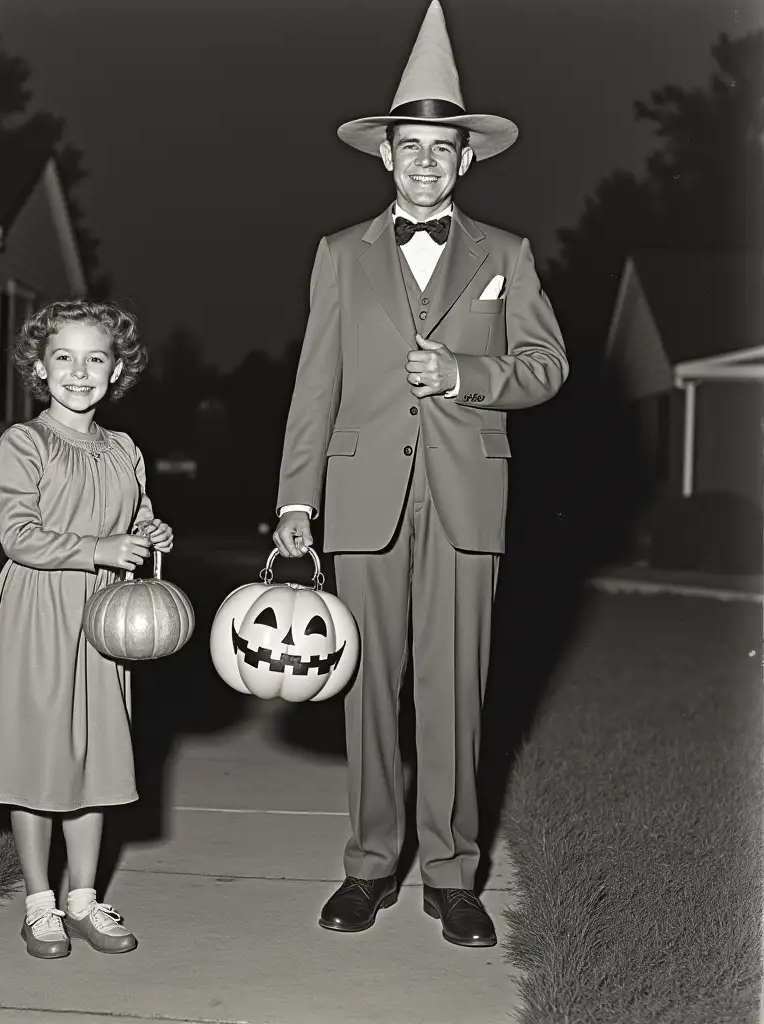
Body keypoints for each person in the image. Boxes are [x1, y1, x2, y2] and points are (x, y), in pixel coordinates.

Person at [273, 0, 568, 948]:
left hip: (465, 502)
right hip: (361, 504)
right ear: (385, 155)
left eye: (443, 147)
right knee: (367, 689)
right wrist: (295, 503)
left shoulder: (507, 256)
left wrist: (465, 376)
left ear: (466, 159)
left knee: (454, 692)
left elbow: (548, 367)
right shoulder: (337, 257)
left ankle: (453, 875)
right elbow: (314, 388)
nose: (426, 161)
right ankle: (369, 867)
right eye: (411, 146)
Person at [0, 299, 173, 960]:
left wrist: (151, 535)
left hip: (104, 620)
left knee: (97, 754)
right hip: (40, 612)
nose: (79, 371)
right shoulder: (26, 442)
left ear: (117, 369)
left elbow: (140, 516)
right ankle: (40, 902)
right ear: (40, 367)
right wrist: (101, 546)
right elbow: (20, 534)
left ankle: (85, 897)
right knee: (40, 756)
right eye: (63, 357)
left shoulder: (125, 449)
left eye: (96, 358)